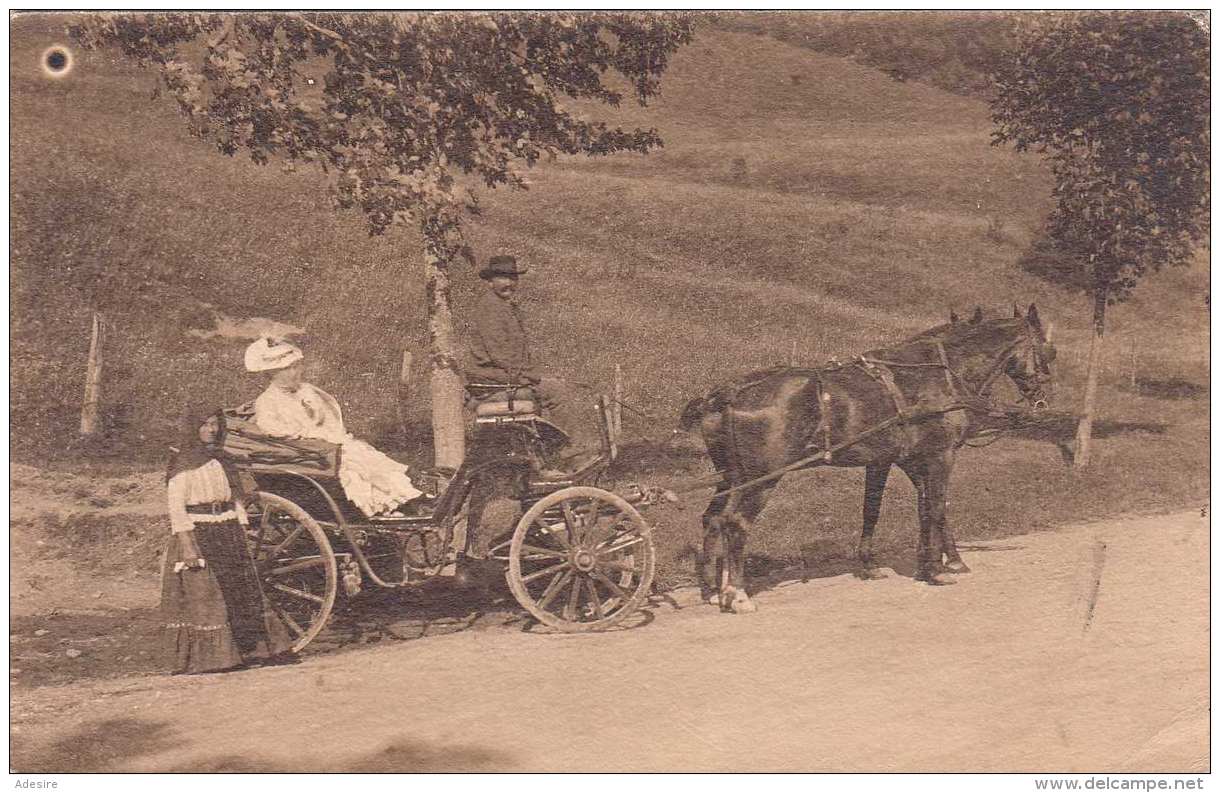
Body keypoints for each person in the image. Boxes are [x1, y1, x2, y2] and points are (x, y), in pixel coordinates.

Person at [161, 414, 294, 674]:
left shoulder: (223, 459)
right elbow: (176, 507)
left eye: (215, 425)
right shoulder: (183, 462)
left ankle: (251, 650)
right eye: (205, 424)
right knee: (208, 594)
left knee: (240, 591)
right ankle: (214, 659)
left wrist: (241, 524)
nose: (211, 430)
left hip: (227, 527)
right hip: (199, 531)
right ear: (193, 427)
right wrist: (187, 544)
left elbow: (236, 497)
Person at [245, 337, 424, 517]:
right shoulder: (267, 402)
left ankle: (399, 501)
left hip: (327, 446)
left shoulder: (307, 391)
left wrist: (328, 432)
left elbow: (330, 420)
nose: (294, 373)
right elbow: (274, 431)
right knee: (351, 465)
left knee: (364, 456)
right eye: (286, 369)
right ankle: (379, 506)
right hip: (305, 454)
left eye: (296, 366)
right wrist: (310, 437)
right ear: (271, 373)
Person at [467, 254, 599, 466]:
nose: (509, 283)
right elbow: (501, 356)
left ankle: (552, 455)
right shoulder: (489, 309)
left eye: (513, 278)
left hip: (507, 378)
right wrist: (532, 377)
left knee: (556, 386)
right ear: (490, 281)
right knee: (558, 392)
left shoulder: (504, 307)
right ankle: (574, 454)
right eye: (503, 278)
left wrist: (531, 376)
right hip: (495, 382)